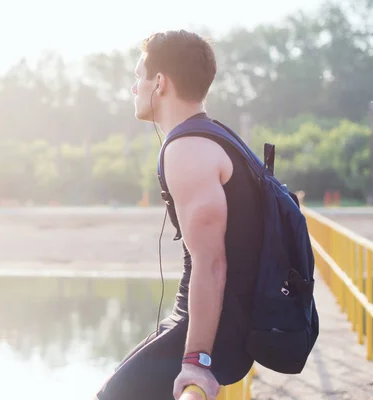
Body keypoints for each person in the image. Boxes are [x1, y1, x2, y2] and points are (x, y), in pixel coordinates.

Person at [95, 30, 264, 400]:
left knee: (116, 396)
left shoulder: (188, 149)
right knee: (117, 387)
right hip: (205, 312)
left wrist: (196, 361)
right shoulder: (212, 135)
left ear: (159, 82)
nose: (133, 87)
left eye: (138, 77)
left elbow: (212, 262)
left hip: (217, 322)